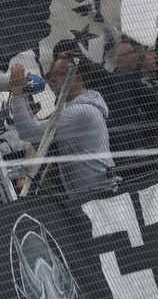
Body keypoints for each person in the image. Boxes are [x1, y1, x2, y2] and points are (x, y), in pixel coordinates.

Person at [10, 53, 116, 195]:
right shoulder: (76, 108)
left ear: (77, 78)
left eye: (60, 74)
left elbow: (28, 132)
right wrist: (22, 93)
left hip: (99, 195)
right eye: (51, 74)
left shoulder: (81, 111)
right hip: (91, 194)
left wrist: (16, 91)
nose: (52, 80)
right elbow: (35, 128)